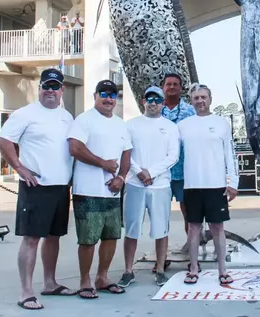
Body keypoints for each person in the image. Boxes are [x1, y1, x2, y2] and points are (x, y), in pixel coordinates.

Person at [0, 68, 76, 311]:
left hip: (61, 187)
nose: (50, 90)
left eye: (55, 86)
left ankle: (50, 283)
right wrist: (20, 168)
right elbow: (3, 140)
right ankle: (26, 291)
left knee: (53, 237)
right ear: (40, 88)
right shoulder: (25, 114)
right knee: (31, 239)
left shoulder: (66, 116)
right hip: (36, 186)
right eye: (46, 86)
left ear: (62, 90)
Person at [67, 79, 132, 299]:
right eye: (103, 94)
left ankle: (102, 278)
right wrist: (103, 163)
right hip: (87, 191)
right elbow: (75, 148)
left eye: (112, 95)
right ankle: (85, 281)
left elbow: (126, 153)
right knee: (87, 240)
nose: (108, 98)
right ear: (95, 96)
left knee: (111, 236)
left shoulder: (121, 124)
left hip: (112, 192)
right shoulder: (84, 120)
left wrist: (121, 178)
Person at [177, 83, 239, 286]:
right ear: (191, 101)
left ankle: (222, 270)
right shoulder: (183, 126)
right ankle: (193, 268)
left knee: (217, 228)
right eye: (196, 98)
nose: (200, 101)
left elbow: (230, 155)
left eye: (203, 97)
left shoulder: (222, 123)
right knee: (194, 228)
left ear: (210, 99)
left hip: (216, 186)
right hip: (192, 186)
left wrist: (233, 182)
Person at [119, 86, 180, 288]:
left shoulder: (170, 127)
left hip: (160, 185)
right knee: (132, 229)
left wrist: (151, 173)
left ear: (163, 103)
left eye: (157, 99)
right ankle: (128, 271)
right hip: (134, 184)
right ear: (143, 100)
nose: (153, 102)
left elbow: (173, 156)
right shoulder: (130, 125)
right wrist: (139, 172)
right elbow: (125, 152)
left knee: (161, 229)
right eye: (149, 99)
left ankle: (160, 269)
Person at [160, 73, 196, 246]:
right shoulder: (156, 110)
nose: (172, 87)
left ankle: (192, 248)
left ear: (181, 88)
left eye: (176, 84)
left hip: (184, 171)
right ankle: (161, 255)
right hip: (162, 172)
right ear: (163, 88)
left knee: (188, 213)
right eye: (169, 84)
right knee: (160, 214)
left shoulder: (191, 111)